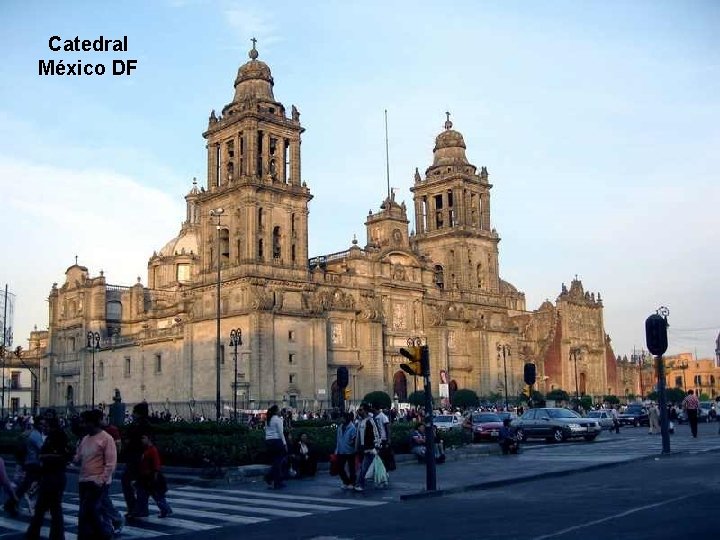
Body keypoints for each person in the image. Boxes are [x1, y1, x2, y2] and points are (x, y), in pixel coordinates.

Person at [26, 415, 72, 540]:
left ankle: (48, 535)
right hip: (50, 476)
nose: (43, 428)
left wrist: (44, 457)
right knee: (47, 508)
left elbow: (62, 456)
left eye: (46, 426)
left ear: (52, 426)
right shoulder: (52, 437)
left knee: (51, 509)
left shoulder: (58, 437)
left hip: (54, 477)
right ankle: (49, 535)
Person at [74, 409, 117, 540]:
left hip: (97, 482)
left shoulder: (106, 439)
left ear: (93, 423)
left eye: (85, 423)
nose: (83, 425)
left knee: (89, 512)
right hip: (84, 480)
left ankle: (103, 534)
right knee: (87, 513)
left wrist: (102, 480)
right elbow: (79, 456)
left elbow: (111, 463)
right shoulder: (85, 439)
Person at [6, 416, 45, 517]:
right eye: (41, 424)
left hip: (32, 463)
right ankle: (12, 503)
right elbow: (42, 449)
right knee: (40, 483)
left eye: (44, 424)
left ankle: (11, 503)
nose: (43, 426)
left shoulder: (35, 433)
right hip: (34, 464)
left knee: (25, 485)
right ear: (36, 424)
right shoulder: (35, 435)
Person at [121, 402, 151, 518]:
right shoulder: (144, 424)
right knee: (140, 483)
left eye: (134, 412)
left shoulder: (140, 425)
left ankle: (135, 508)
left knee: (129, 481)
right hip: (138, 457)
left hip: (136, 457)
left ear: (138, 413)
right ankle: (140, 508)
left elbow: (142, 441)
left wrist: (129, 441)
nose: (132, 414)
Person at [133, 434, 172, 518]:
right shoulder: (145, 450)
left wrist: (155, 477)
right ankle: (142, 511)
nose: (142, 440)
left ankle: (165, 509)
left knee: (157, 496)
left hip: (150, 477)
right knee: (142, 495)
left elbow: (156, 465)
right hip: (143, 477)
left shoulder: (152, 450)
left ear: (149, 439)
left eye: (143, 438)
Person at [354, 403, 380, 492]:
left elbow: (376, 434)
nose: (358, 411)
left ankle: (360, 484)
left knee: (364, 467)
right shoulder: (360, 421)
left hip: (369, 449)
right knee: (365, 467)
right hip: (362, 448)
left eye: (360, 410)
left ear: (365, 411)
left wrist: (376, 446)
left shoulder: (370, 421)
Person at [263, 405, 287, 489]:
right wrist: (284, 443)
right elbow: (281, 433)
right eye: (279, 410)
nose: (280, 411)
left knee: (275, 462)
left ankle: (272, 478)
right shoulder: (278, 419)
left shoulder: (268, 419)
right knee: (278, 462)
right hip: (277, 441)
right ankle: (274, 480)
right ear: (276, 411)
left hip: (268, 441)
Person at [334, 412, 357, 490]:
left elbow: (354, 439)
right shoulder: (340, 427)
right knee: (339, 467)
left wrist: (351, 443)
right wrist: (336, 450)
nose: (341, 419)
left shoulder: (352, 427)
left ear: (346, 418)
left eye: (342, 418)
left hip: (350, 451)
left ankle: (352, 482)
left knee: (351, 468)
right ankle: (346, 481)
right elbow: (338, 439)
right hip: (341, 450)